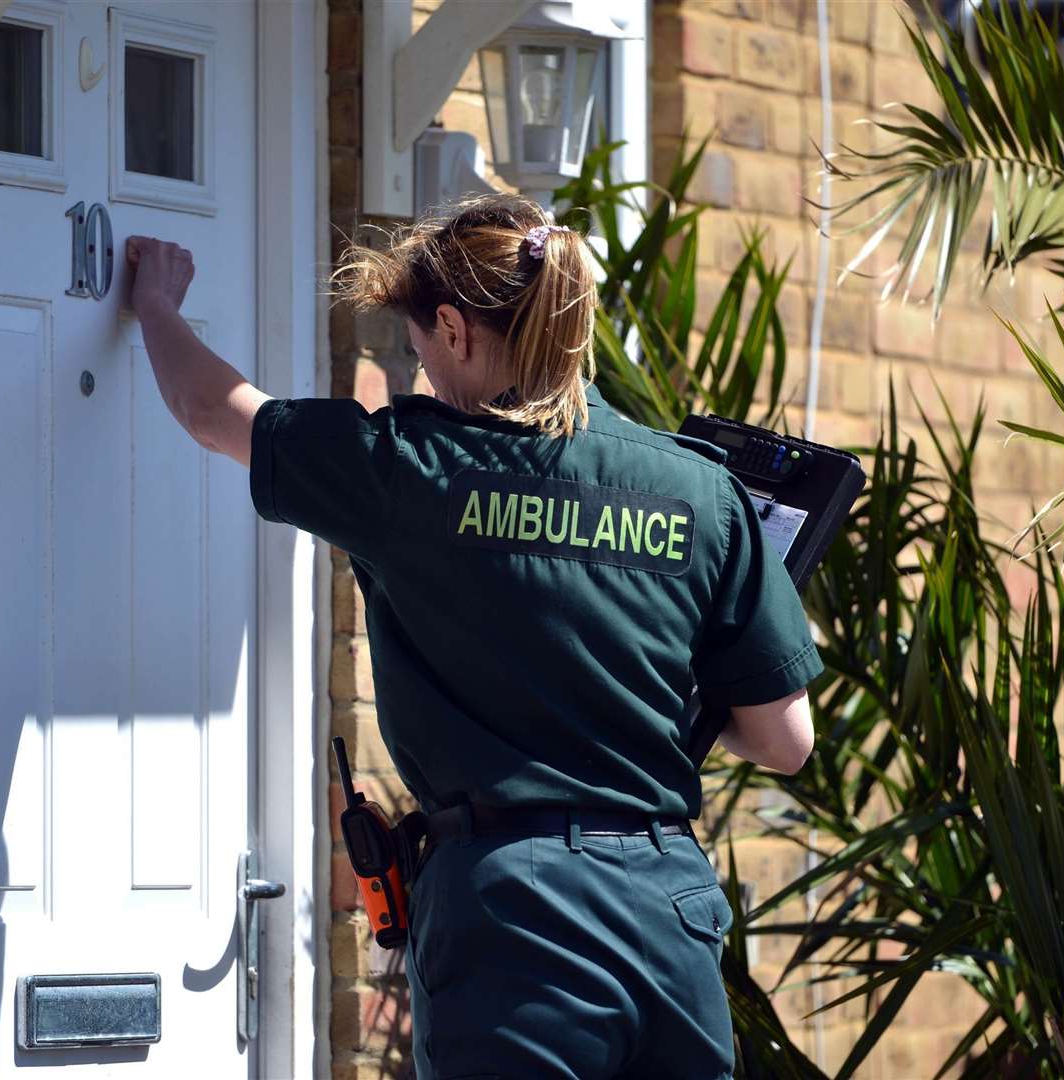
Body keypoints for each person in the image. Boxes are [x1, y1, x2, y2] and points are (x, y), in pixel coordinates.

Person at [126, 192, 820, 1080]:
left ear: (454, 329)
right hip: (668, 912)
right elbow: (785, 740)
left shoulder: (411, 473)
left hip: (514, 917)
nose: (419, 372)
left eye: (417, 347)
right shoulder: (701, 492)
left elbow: (208, 408)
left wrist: (154, 303)